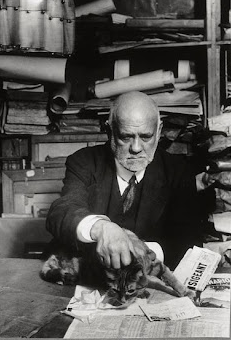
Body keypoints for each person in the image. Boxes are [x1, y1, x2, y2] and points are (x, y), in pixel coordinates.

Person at [46, 91, 203, 270]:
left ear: (159, 131)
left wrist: (139, 251)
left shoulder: (178, 171)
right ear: (109, 130)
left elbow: (191, 243)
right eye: (126, 137)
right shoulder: (83, 162)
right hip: (84, 275)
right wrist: (101, 228)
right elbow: (62, 211)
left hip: (146, 279)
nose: (136, 148)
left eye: (146, 137)